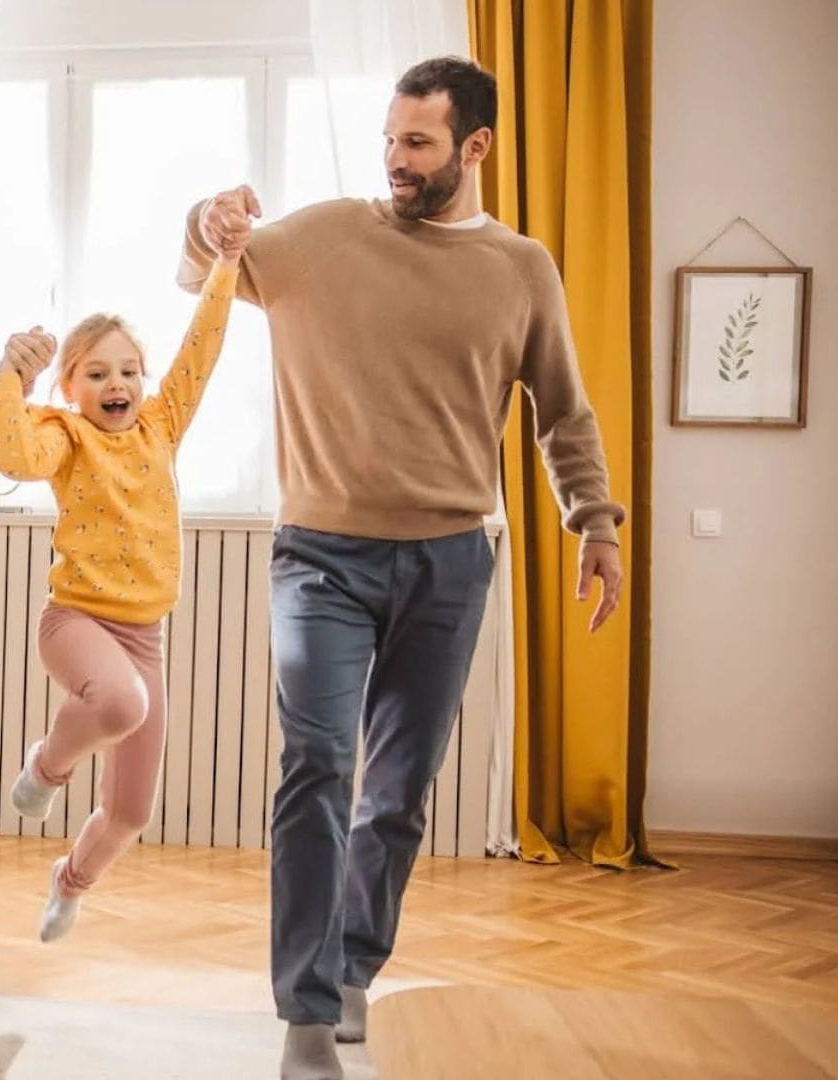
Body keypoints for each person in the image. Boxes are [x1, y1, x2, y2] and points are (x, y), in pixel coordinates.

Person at [177, 57, 627, 1080]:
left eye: (418, 144)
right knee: (318, 763)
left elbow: (563, 409)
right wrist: (206, 222)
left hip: (451, 562)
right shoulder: (326, 235)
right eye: (389, 139)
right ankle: (301, 1008)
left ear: (474, 148)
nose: (395, 161)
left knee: (398, 791)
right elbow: (206, 265)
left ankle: (349, 973)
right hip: (320, 559)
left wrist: (594, 524)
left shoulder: (521, 268)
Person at [0, 238, 244, 943]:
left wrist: (225, 264)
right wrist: (8, 381)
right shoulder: (64, 436)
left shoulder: (162, 425)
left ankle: (71, 881)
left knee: (132, 811)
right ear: (69, 387)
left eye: (129, 371)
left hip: (145, 637)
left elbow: (202, 350)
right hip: (74, 622)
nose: (117, 384)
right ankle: (46, 766)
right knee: (119, 702)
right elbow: (13, 453)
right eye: (97, 373)